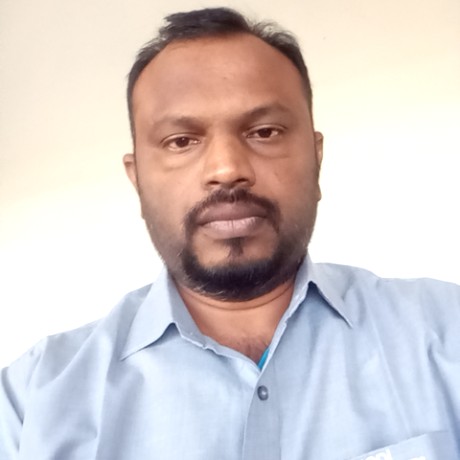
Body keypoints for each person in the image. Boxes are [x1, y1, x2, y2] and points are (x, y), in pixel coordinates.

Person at [1, 7, 459, 460]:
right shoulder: (27, 408)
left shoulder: (446, 332)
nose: (226, 168)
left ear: (316, 159)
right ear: (137, 180)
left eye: (265, 132)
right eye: (181, 141)